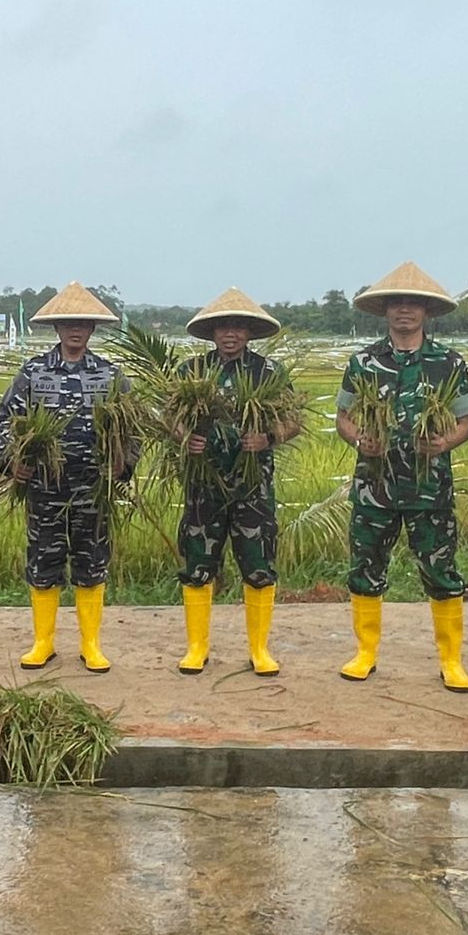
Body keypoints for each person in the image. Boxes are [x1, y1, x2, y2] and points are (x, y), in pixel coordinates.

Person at [334, 263, 468, 691]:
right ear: (385, 312)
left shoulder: (449, 362)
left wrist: (444, 443)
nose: (404, 311)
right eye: (397, 303)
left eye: (413, 304)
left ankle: (451, 661)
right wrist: (360, 439)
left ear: (427, 312)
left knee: (441, 571)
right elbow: (343, 418)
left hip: (429, 489)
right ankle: (365, 653)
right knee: (366, 567)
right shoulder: (363, 362)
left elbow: (466, 422)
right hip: (373, 488)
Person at [0, 281, 139, 673]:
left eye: (83, 324)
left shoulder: (110, 375)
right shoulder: (34, 372)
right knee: (44, 561)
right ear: (56, 329)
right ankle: (43, 642)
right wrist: (13, 462)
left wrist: (122, 464)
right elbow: (6, 421)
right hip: (45, 487)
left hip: (93, 486)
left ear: (92, 330)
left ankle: (90, 644)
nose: (75, 330)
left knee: (91, 562)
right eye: (68, 324)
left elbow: (132, 427)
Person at [175, 288, 302, 675]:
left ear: (249, 332)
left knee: (258, 565)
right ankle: (197, 648)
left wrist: (269, 438)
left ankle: (259, 650)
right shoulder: (192, 371)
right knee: (198, 564)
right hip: (204, 485)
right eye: (222, 328)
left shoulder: (269, 374)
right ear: (212, 332)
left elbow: (294, 420)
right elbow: (170, 415)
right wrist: (185, 436)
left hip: (253, 488)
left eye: (238, 327)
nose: (230, 334)